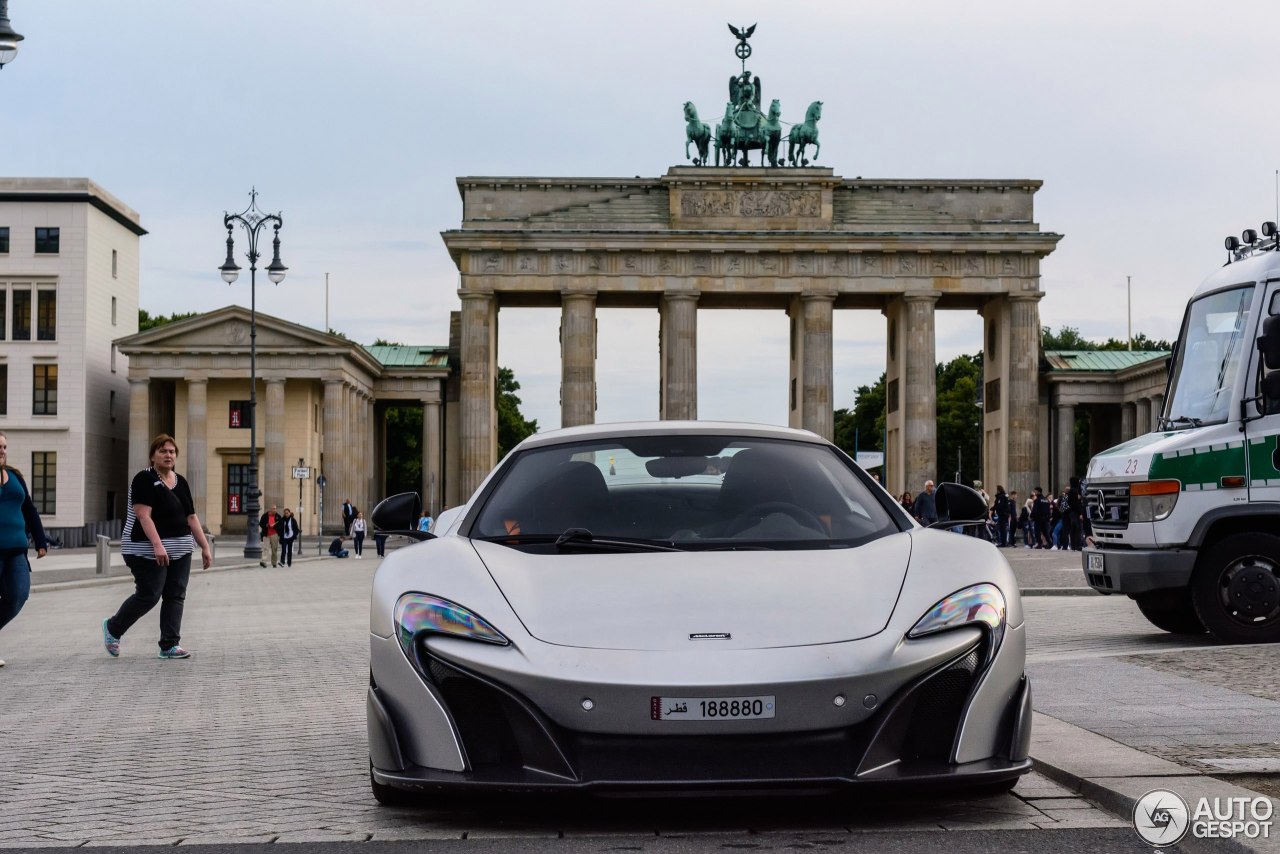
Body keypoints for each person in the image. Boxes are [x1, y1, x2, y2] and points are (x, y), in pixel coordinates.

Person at [103, 434, 212, 660]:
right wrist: (158, 545)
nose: (168, 455)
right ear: (153, 456)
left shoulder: (180, 481)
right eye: (163, 451)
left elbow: (191, 517)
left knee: (176, 594)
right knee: (150, 594)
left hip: (181, 549)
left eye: (172, 451)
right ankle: (113, 628)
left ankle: (170, 644)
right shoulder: (144, 479)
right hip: (145, 549)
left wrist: (204, 546)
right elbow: (144, 516)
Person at [0, 432, 48, 668]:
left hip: (16, 550)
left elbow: (29, 509)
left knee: (18, 595)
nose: (2, 450)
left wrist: (40, 540)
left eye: (4, 446)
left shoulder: (15, 476)